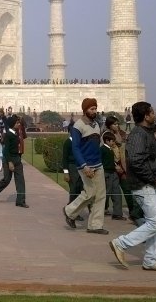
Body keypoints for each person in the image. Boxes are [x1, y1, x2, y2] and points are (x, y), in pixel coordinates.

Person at [109, 101, 156, 271]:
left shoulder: (145, 132)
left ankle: (151, 260)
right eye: (152, 112)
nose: (155, 115)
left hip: (145, 183)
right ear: (146, 116)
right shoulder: (139, 134)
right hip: (142, 184)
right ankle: (121, 243)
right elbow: (136, 161)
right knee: (154, 224)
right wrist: (153, 179)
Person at [63, 98, 108, 235]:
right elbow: (75, 148)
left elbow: (98, 144)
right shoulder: (78, 126)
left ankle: (95, 225)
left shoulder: (96, 125)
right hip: (86, 166)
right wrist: (84, 166)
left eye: (95, 108)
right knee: (90, 193)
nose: (94, 111)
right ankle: (69, 211)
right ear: (85, 110)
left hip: (97, 164)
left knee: (100, 195)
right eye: (91, 109)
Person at [0, 115, 28, 207]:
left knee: (20, 180)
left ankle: (20, 201)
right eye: (17, 123)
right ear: (12, 124)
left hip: (17, 159)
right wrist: (10, 162)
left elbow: (23, 138)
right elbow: (6, 151)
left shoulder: (16, 133)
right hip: (8, 159)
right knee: (6, 180)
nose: (18, 124)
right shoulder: (8, 135)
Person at [101, 131, 125, 220]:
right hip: (107, 174)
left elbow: (111, 161)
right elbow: (103, 163)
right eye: (112, 141)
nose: (113, 143)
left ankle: (117, 213)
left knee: (117, 193)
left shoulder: (110, 150)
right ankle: (98, 210)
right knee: (106, 194)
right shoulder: (102, 149)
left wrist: (115, 166)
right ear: (107, 141)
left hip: (113, 173)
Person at [62, 135, 84, 221]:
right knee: (74, 190)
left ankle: (74, 211)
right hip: (72, 167)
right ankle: (71, 212)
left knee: (80, 190)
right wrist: (66, 172)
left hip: (80, 167)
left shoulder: (80, 142)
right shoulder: (68, 142)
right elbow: (64, 158)